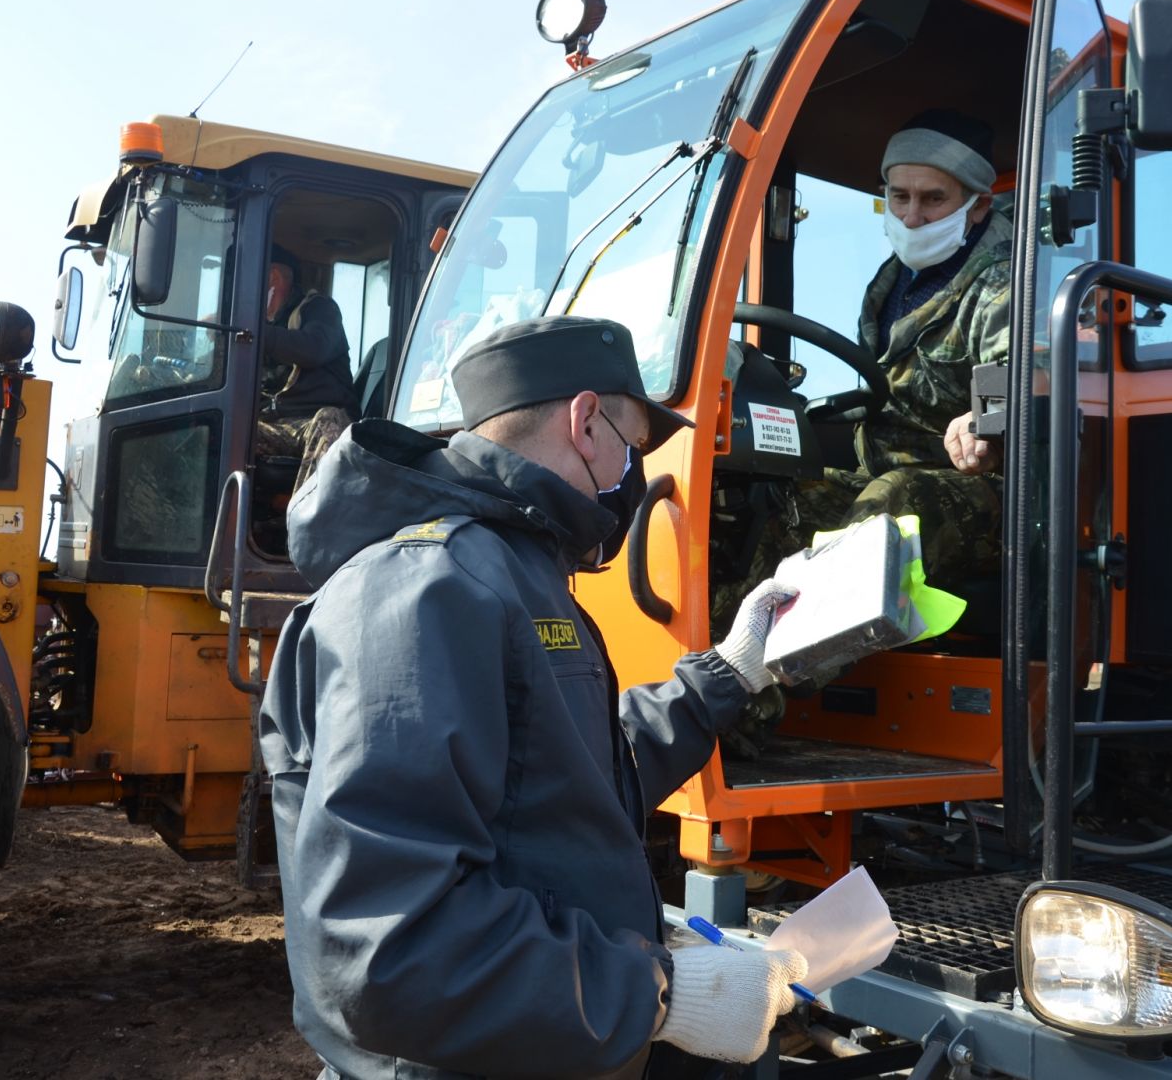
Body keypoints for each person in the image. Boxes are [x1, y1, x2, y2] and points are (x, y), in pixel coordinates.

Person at [259, 315, 806, 1079]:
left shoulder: (506, 572)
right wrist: (659, 995)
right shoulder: (428, 590)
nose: (633, 469)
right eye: (634, 441)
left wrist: (731, 672)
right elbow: (389, 947)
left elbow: (564, 777)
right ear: (587, 422)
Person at [799, 109, 1012, 586]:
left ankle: (795, 659)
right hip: (882, 477)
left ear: (977, 206)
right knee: (778, 498)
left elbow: (1020, 367)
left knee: (891, 502)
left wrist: (985, 418)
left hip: (987, 492)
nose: (912, 217)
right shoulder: (888, 284)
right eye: (900, 197)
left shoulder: (1006, 281)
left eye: (933, 199)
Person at [256, 250, 358, 483]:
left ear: (272, 277)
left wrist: (257, 333)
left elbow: (314, 349)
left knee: (328, 421)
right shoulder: (266, 326)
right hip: (275, 423)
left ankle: (311, 517)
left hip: (311, 421)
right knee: (214, 428)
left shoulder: (320, 310)